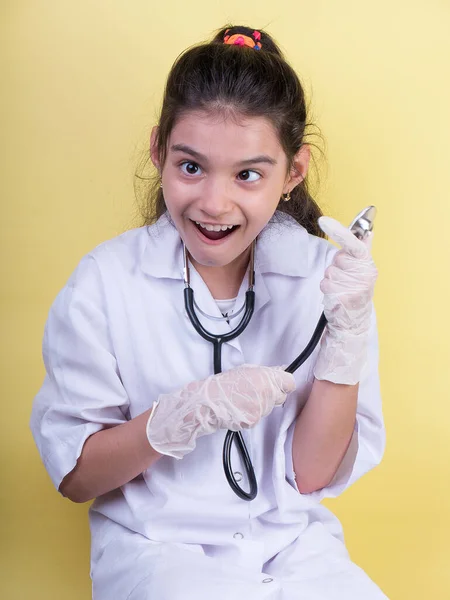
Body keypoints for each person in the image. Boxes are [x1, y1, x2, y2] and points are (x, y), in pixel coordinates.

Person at [30, 24, 387, 600]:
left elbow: (313, 474)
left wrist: (347, 338)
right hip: (157, 548)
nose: (214, 204)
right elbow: (76, 479)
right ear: (158, 151)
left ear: (293, 172)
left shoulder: (327, 282)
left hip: (292, 546)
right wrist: (177, 418)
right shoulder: (106, 283)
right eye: (191, 167)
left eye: (249, 174)